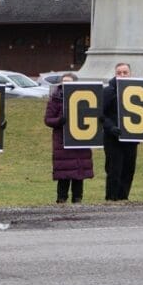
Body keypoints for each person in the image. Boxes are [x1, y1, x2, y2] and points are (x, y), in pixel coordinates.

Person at [43, 72, 94, 203]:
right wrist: (60, 120)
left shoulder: (85, 98)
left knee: (79, 172)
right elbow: (48, 120)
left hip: (80, 141)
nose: (66, 85)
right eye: (64, 82)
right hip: (62, 142)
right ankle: (61, 199)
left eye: (69, 82)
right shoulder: (55, 99)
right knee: (63, 173)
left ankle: (78, 199)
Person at [102, 62, 139, 201]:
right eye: (119, 72)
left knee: (129, 170)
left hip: (131, 138)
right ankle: (111, 199)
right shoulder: (108, 91)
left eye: (125, 72)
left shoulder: (138, 90)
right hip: (113, 139)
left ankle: (124, 198)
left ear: (130, 74)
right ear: (115, 74)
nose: (122, 75)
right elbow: (100, 115)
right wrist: (111, 127)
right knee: (114, 170)